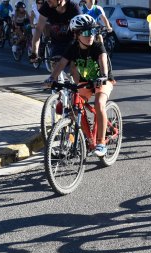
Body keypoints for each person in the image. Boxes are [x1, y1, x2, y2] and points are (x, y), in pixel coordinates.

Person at [44, 14, 113, 157]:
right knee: (74, 108)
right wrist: (51, 78)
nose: (91, 35)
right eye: (87, 32)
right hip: (86, 82)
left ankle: (101, 143)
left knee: (100, 103)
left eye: (93, 31)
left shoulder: (97, 46)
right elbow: (61, 64)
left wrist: (103, 75)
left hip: (103, 80)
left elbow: (103, 61)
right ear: (76, 35)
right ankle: (89, 139)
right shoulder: (73, 47)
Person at [30, 0, 81, 81]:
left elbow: (80, 30)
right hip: (57, 44)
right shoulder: (47, 7)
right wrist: (34, 51)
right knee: (55, 67)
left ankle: (78, 94)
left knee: (74, 68)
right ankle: (60, 94)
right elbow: (39, 29)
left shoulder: (73, 8)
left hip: (73, 42)